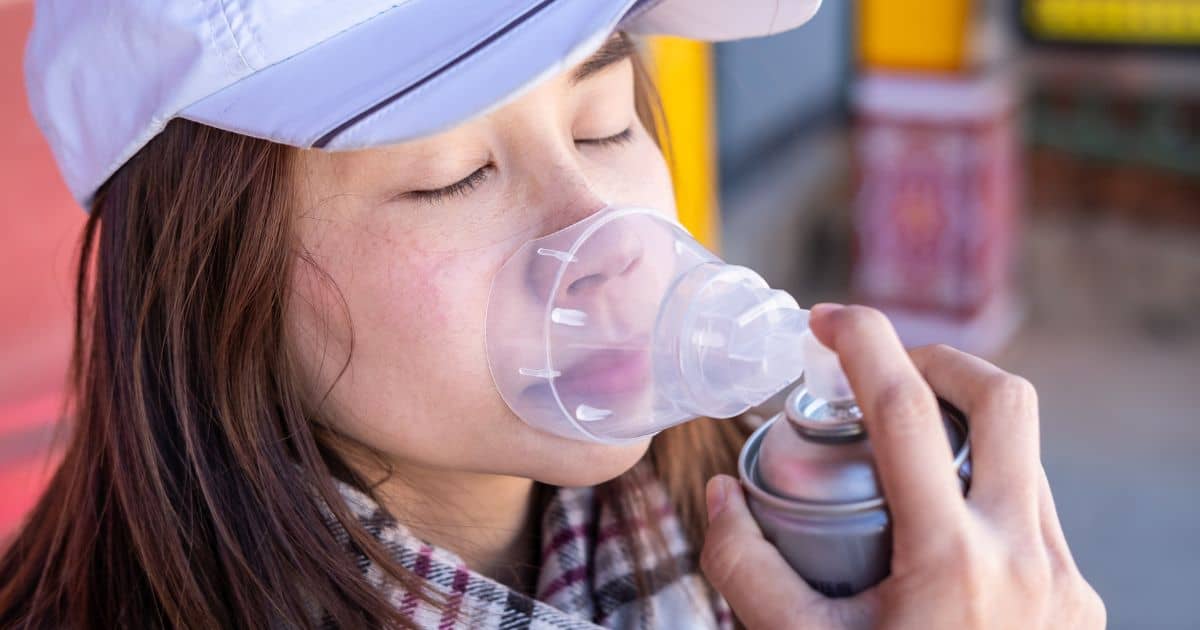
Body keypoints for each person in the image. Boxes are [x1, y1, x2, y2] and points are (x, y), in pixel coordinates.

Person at [2, 1, 1104, 628]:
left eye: (604, 119)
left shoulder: (798, 533)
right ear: (206, 284)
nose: (607, 237)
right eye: (447, 175)